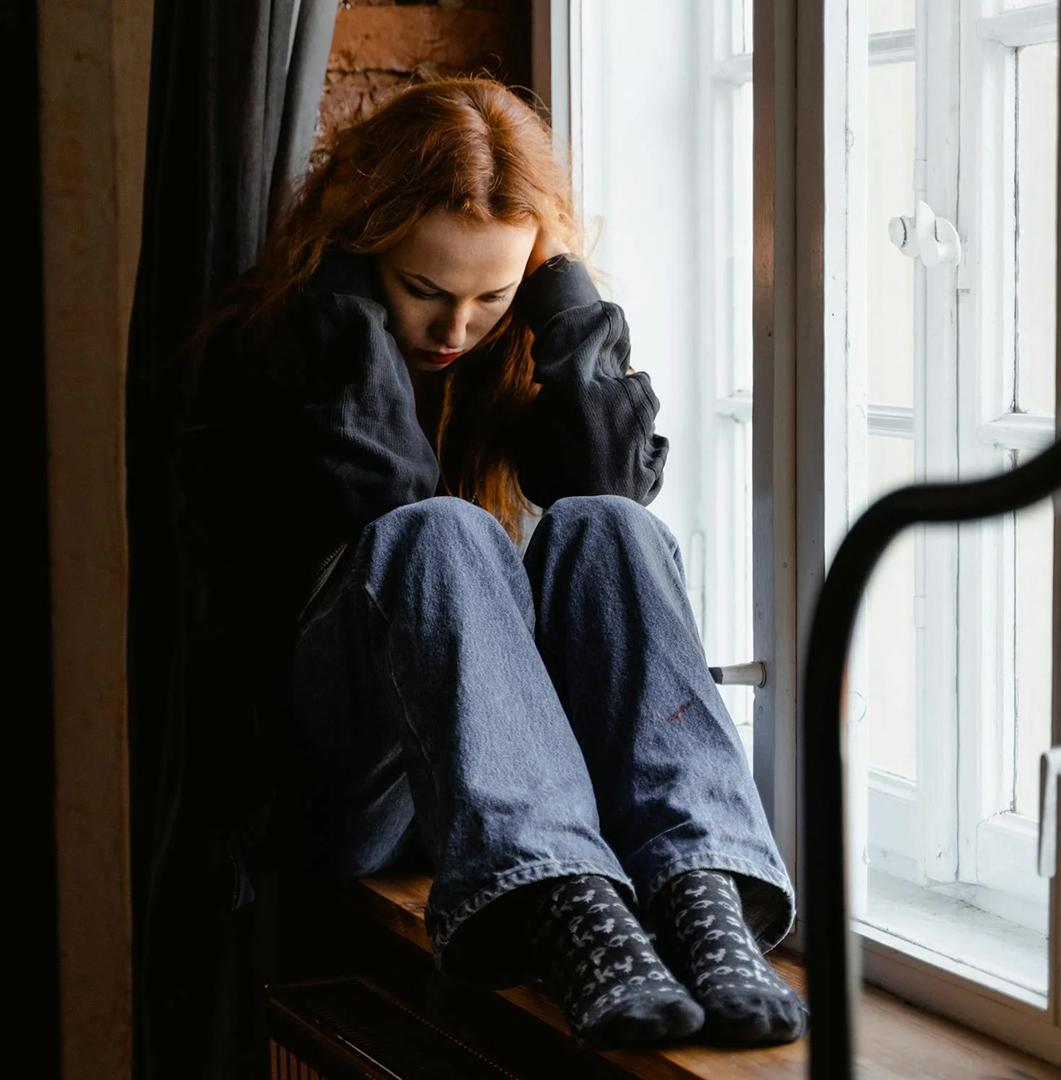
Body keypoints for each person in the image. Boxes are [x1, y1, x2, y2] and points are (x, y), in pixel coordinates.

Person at [183, 75, 807, 1051]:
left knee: (610, 527)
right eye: (422, 290)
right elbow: (395, 510)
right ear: (358, 250)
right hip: (346, 801)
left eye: (494, 295)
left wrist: (567, 309)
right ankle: (562, 906)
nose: (455, 331)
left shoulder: (506, 351)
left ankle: (703, 890)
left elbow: (613, 484)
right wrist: (347, 317)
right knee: (439, 531)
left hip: (495, 790)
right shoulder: (279, 357)